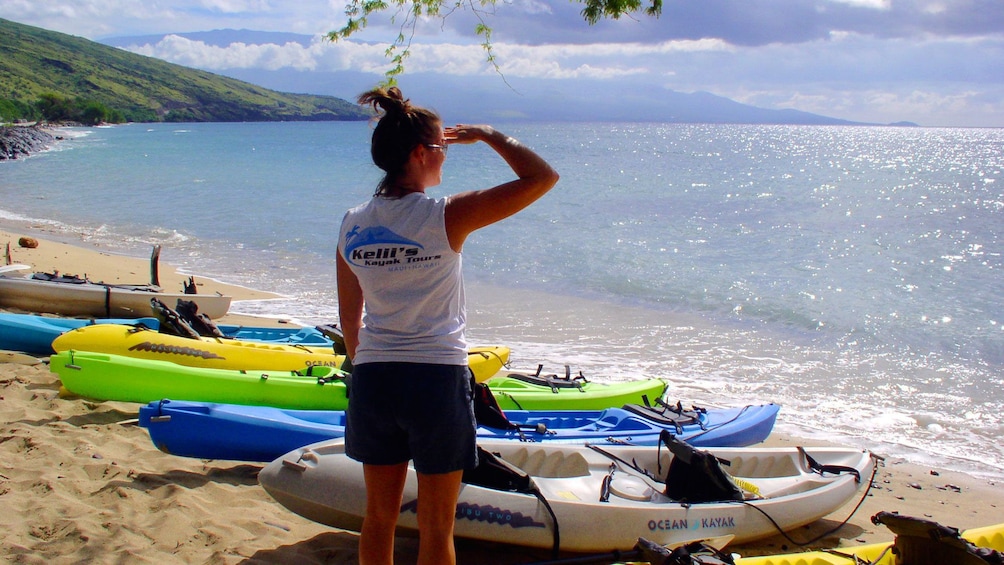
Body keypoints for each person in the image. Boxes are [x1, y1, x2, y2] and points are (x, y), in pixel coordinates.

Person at [336, 86, 559, 565]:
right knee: (437, 530)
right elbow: (542, 177)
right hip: (434, 379)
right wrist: (490, 135)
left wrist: (369, 365)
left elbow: (349, 318)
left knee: (379, 519)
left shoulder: (351, 224)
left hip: (374, 378)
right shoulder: (445, 216)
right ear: (418, 154)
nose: (446, 158)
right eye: (442, 148)